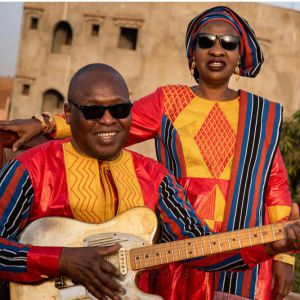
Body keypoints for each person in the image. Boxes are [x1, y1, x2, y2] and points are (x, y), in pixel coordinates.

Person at [0, 6, 295, 300]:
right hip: (167, 254)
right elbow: (109, 126)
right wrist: (46, 124)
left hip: (213, 243)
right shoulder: (166, 101)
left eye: (228, 43)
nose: (217, 50)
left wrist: (279, 251)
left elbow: (276, 186)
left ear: (240, 54)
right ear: (193, 51)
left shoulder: (260, 117)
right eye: (206, 41)